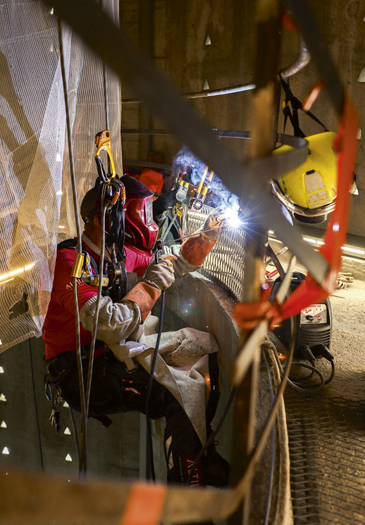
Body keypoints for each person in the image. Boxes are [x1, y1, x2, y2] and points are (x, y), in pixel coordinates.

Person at [43, 174, 229, 486]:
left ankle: (201, 454)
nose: (149, 222)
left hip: (112, 356)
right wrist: (155, 279)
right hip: (84, 373)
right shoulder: (69, 262)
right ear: (116, 218)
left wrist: (203, 240)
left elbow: (167, 263)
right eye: (142, 213)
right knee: (176, 393)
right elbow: (111, 324)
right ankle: (186, 485)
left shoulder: (115, 256)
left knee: (200, 347)